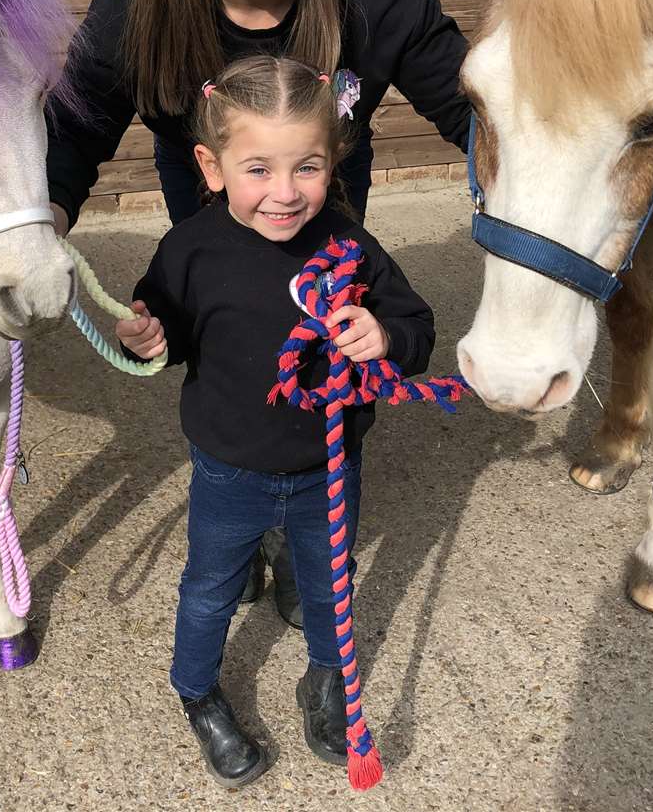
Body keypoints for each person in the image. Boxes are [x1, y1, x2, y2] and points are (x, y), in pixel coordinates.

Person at [49, 0, 472, 621]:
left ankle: (313, 510)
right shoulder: (135, 14)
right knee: (223, 326)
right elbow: (73, 134)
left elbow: (480, 118)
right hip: (201, 195)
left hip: (331, 202)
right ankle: (238, 513)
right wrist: (41, 223)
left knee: (336, 343)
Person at [115, 55, 436, 788]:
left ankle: (324, 679)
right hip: (229, 468)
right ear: (212, 164)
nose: (286, 194)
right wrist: (150, 338)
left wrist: (384, 337)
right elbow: (165, 331)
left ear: (334, 163)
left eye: (308, 168)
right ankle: (196, 690)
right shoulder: (189, 251)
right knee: (210, 588)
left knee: (329, 584)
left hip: (329, 466)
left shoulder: (350, 249)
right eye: (258, 169)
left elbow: (416, 326)